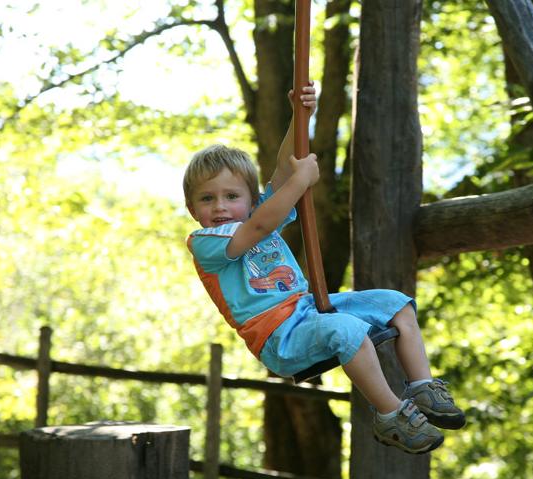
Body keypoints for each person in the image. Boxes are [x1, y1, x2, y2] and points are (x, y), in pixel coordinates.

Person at [184, 83, 465, 454]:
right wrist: (301, 182)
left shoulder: (260, 212)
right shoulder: (208, 242)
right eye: (207, 198)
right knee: (348, 331)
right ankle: (390, 415)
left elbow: (285, 173)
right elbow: (259, 226)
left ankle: (422, 386)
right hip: (279, 335)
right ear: (192, 208)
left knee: (396, 304)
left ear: (251, 199)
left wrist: (300, 118)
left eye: (232, 196)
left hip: (309, 309)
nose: (220, 206)